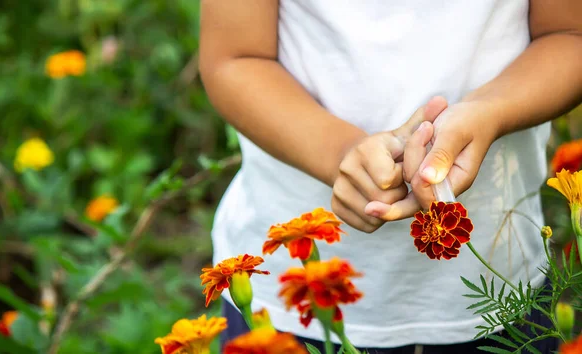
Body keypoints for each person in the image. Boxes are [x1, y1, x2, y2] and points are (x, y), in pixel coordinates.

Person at [199, 0, 582, 353]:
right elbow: (233, 58)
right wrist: (338, 153)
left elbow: (570, 35)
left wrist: (488, 113)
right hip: (288, 295)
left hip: (503, 284)